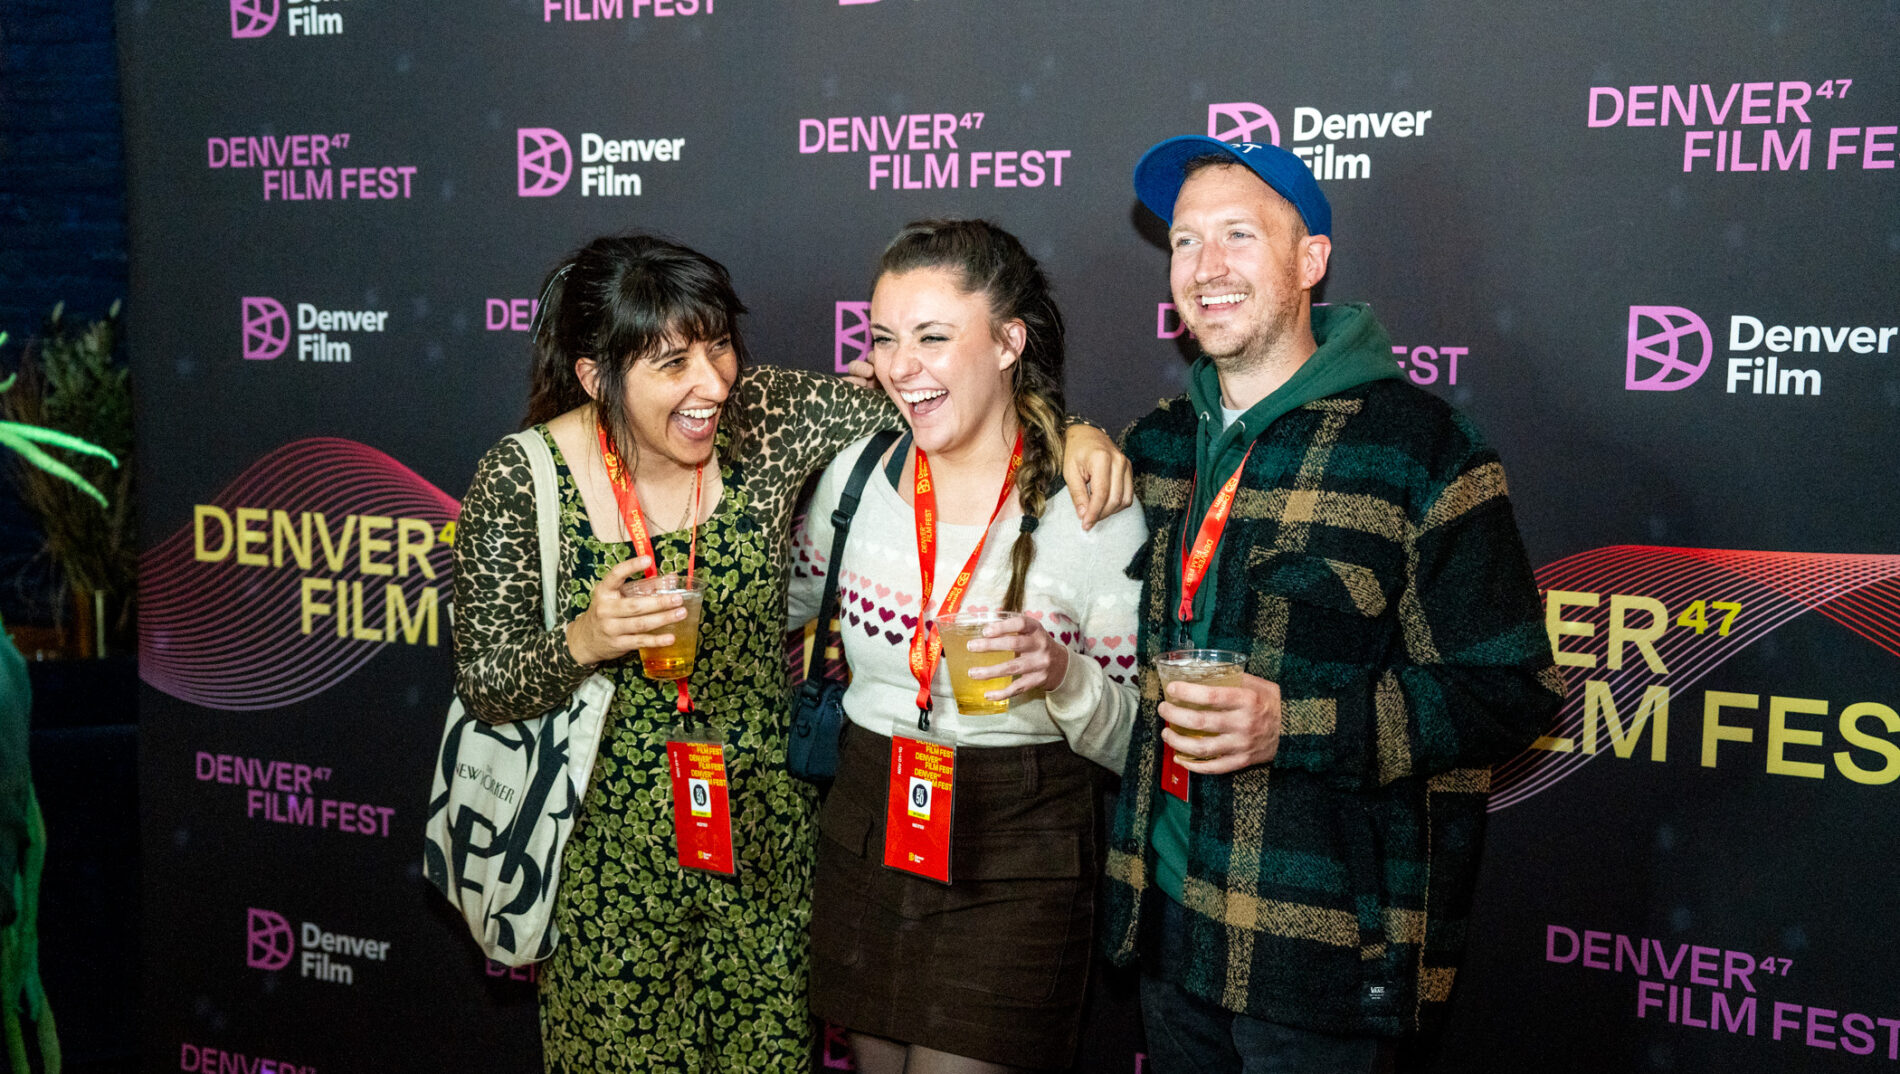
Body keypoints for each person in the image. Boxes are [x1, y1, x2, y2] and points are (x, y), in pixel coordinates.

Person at [449, 232, 1132, 1074]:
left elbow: (943, 403)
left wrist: (1077, 433)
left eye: (719, 346)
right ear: (597, 377)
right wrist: (584, 640)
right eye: (672, 364)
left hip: (765, 840)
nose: (713, 384)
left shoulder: (762, 414)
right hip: (606, 857)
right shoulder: (524, 480)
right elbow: (486, 684)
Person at [1102, 137, 1567, 1072]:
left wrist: (1293, 723)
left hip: (1328, 966)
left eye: (1239, 234)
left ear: (1310, 261)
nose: (1206, 267)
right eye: (1186, 242)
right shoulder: (1150, 446)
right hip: (1168, 937)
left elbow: (1510, 691)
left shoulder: (1422, 448)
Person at [790, 219, 1147, 1074]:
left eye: (934, 336)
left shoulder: (1089, 504)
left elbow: (1140, 736)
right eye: (883, 338)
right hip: (870, 814)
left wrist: (1062, 676)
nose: (901, 364)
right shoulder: (856, 475)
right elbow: (772, 602)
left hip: (1019, 839)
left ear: (1008, 342)